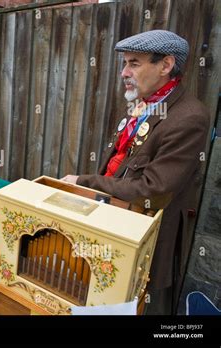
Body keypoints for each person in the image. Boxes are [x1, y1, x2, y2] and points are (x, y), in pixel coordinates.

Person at [61, 30, 210, 315]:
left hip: (145, 238)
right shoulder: (145, 101)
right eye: (125, 63)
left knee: (132, 307)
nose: (124, 72)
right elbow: (119, 162)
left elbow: (153, 189)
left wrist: (85, 181)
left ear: (165, 66)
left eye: (134, 63)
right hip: (113, 219)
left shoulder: (189, 116)